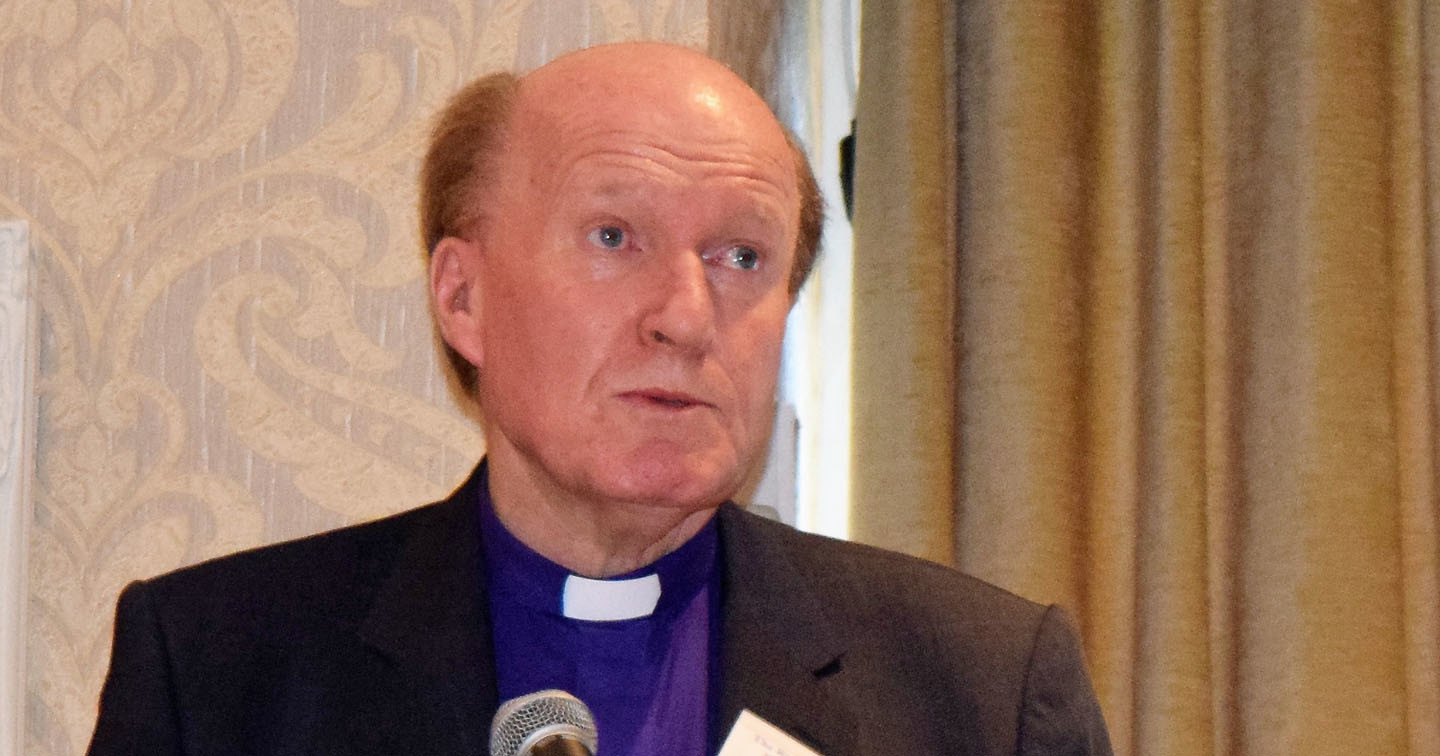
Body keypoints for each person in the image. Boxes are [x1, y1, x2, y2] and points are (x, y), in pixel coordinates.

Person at [87, 42, 1112, 755]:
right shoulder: (220, 674)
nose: (686, 313)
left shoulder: (980, 692)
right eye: (615, 238)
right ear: (464, 296)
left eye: (742, 255)